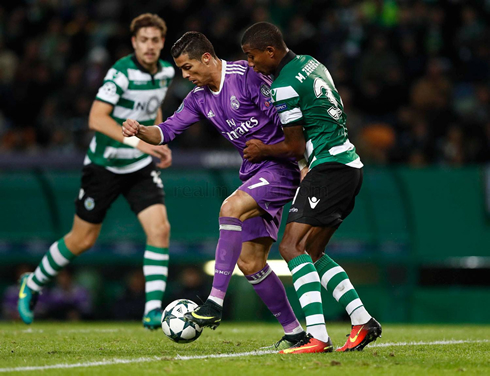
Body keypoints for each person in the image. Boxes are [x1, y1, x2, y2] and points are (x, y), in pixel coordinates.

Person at [122, 31, 307, 350]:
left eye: (188, 67)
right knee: (250, 263)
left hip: (281, 167)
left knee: (230, 208)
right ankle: (295, 333)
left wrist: (303, 163)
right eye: (181, 69)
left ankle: (214, 303)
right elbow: (166, 131)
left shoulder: (246, 77)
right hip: (255, 172)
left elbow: (288, 121)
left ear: (207, 58)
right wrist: (140, 130)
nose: (185, 75)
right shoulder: (197, 98)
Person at [18, 13, 174, 330]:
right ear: (134, 43)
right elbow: (97, 119)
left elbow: (153, 107)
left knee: (160, 229)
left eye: (155, 40)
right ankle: (32, 283)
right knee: (82, 240)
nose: (149, 46)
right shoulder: (120, 73)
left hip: (139, 169)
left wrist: (159, 137)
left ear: (161, 43)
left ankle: (153, 311)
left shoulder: (166, 72)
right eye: (143, 40)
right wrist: (141, 144)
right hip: (104, 167)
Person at [241, 22, 382, 354]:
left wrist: (262, 149)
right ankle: (362, 321)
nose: (251, 63)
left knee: (290, 246)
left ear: (270, 51)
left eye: (252, 56)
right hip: (348, 165)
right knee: (313, 252)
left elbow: (292, 145)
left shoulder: (284, 86)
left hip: (329, 169)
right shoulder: (312, 63)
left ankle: (317, 336)